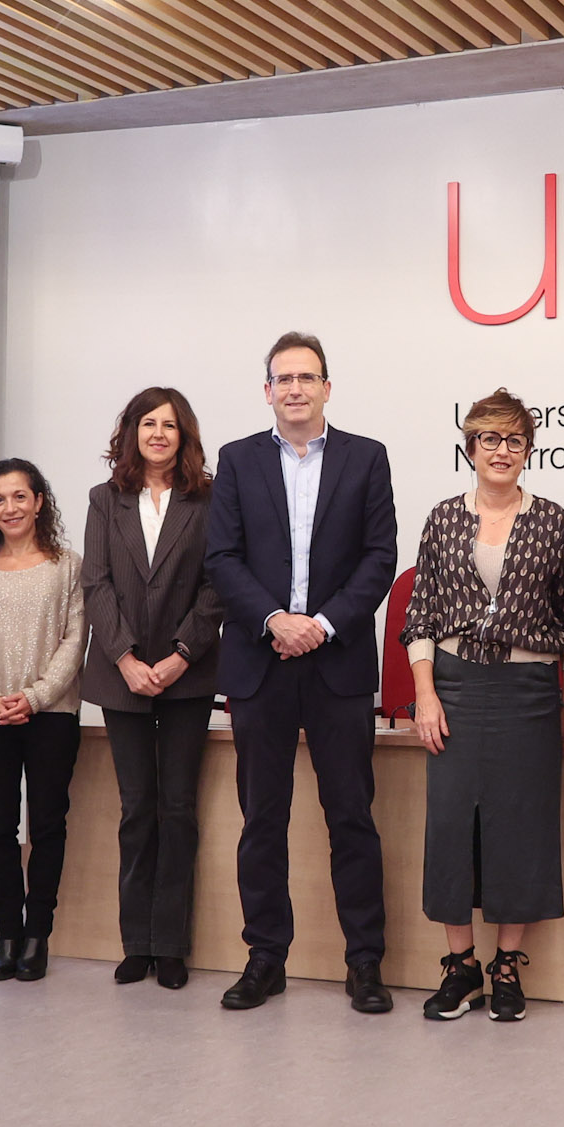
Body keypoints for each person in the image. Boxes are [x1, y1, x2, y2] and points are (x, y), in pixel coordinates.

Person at [203, 333, 399, 1014]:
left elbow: (379, 557)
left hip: (338, 663)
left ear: (326, 388)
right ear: (267, 391)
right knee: (262, 819)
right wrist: (275, 621)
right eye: (283, 378)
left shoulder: (366, 457)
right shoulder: (237, 460)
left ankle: (365, 962)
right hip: (261, 663)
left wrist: (322, 624)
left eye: (306, 377)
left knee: (351, 817)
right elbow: (222, 558)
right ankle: (265, 958)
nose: (294, 388)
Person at [404, 388, 564, 1025]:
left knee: (520, 826)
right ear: (470, 447)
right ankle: (461, 967)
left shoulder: (553, 522)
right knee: (451, 826)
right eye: (489, 439)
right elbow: (420, 614)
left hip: (529, 692)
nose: (502, 450)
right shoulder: (443, 519)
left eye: (514, 440)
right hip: (455, 687)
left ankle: (506, 967)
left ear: (528, 449)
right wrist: (425, 694)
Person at [76, 386, 222, 989]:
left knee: (178, 808)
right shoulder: (104, 498)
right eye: (147, 424)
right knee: (137, 809)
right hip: (123, 676)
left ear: (184, 435)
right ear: (131, 433)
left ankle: (172, 945)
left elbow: (217, 584)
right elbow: (97, 583)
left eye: (169, 425)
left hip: (189, 673)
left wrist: (182, 654)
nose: (158, 434)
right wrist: (126, 658)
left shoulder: (209, 498)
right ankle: (137, 942)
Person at [0, 458, 85, 982]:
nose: (9, 507)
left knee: (48, 825)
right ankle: (6, 934)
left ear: (38, 503)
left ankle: (38, 936)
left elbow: (75, 640)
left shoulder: (67, 566)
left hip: (52, 716)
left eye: (19, 497)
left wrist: (33, 697)